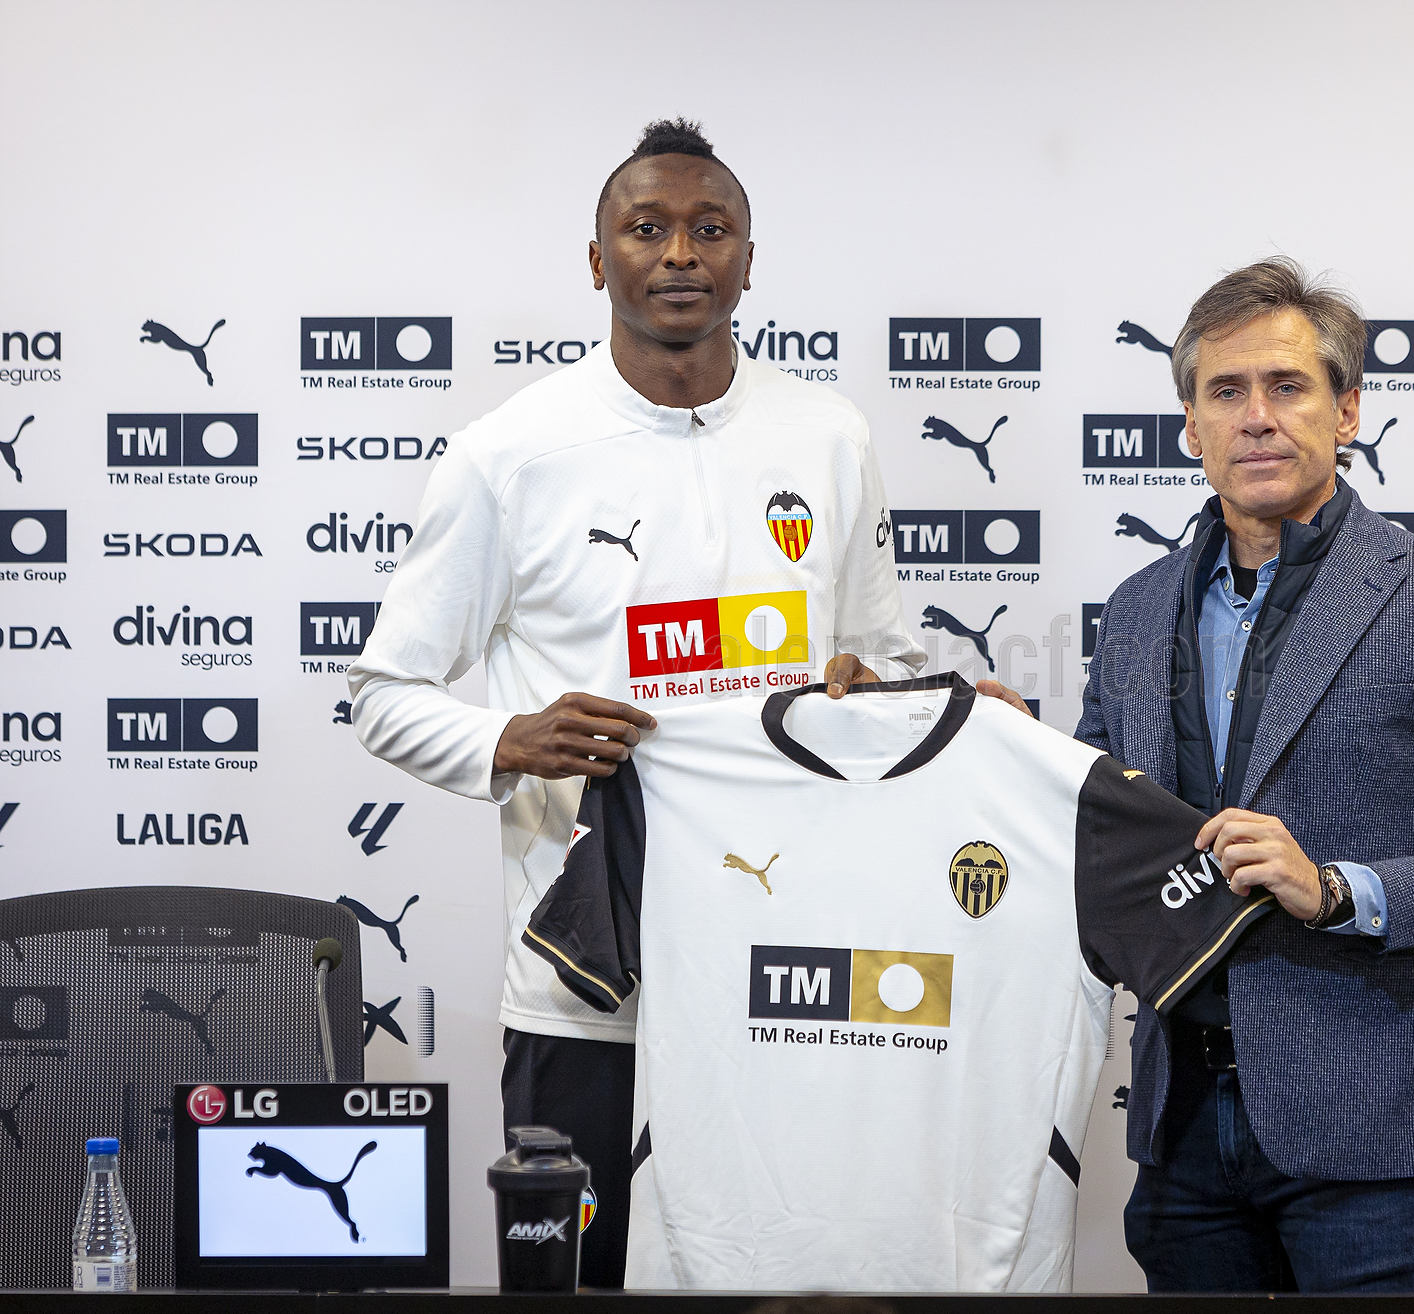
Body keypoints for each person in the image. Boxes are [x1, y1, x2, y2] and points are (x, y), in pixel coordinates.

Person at [348, 119, 962, 1287]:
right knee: (584, 1287)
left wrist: (873, 692)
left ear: (747, 259)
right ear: (597, 261)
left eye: (709, 230)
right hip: (585, 994)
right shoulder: (508, 453)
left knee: (790, 1289)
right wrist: (510, 738)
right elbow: (383, 694)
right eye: (647, 229)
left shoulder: (827, 436)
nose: (680, 254)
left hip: (791, 979)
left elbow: (885, 658)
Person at [1077, 256, 1414, 1293]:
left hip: (1370, 1134)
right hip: (1175, 1128)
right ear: (1189, 425)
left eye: (1287, 386)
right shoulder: (1131, 611)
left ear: (1347, 410)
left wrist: (1338, 888)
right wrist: (1006, 756)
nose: (1257, 417)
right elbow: (1098, 836)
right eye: (1227, 391)